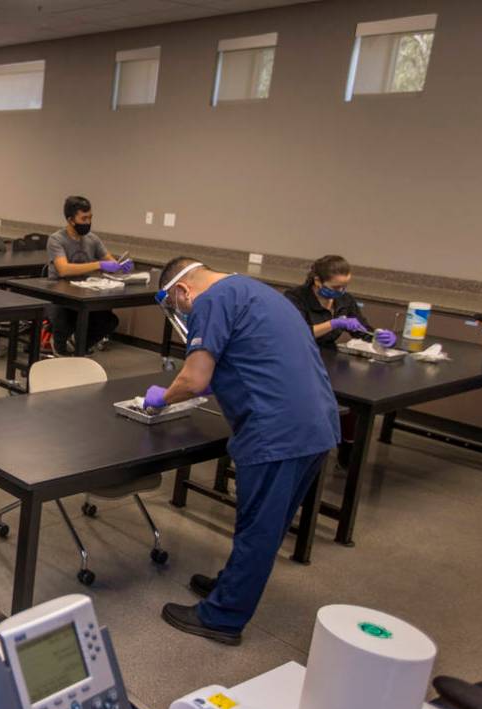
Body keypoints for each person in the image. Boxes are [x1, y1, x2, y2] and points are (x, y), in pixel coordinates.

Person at [145, 258, 339, 645]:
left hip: (277, 432)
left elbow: (195, 378)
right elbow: (258, 357)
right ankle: (229, 587)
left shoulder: (209, 301)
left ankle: (222, 616)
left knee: (258, 529)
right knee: (267, 523)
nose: (184, 314)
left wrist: (162, 398)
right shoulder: (257, 292)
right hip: (317, 423)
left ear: (182, 291)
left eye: (178, 307)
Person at [284, 255, 397, 467]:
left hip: (329, 357)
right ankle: (305, 450)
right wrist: (333, 323)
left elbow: (362, 330)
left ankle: (347, 449)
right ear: (317, 281)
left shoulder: (345, 300)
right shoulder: (295, 297)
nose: (340, 291)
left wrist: (380, 337)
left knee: (354, 398)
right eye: (336, 286)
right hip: (299, 358)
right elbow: (296, 333)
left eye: (344, 286)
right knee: (314, 402)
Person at [45, 195, 134, 355]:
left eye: (90, 217)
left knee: (108, 321)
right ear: (71, 220)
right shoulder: (56, 239)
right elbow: (63, 269)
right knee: (65, 321)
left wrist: (120, 266)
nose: (88, 222)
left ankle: (77, 346)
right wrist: (98, 265)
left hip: (84, 295)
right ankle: (62, 348)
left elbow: (110, 261)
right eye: (84, 218)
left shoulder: (92, 239)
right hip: (59, 296)